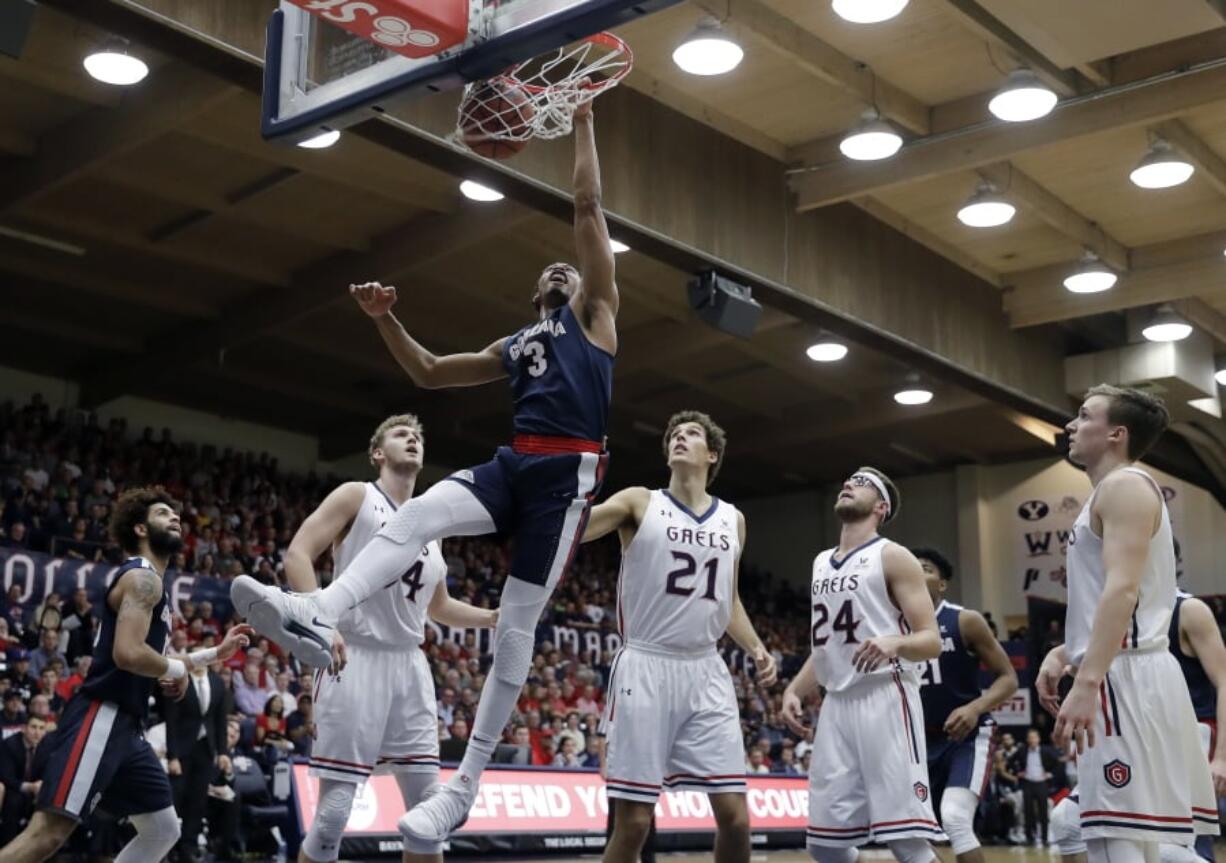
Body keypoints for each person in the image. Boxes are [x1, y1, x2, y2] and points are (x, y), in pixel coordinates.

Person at [232, 93, 618, 846]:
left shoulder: (598, 314)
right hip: (517, 461)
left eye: (564, 268)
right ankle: (322, 607)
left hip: (567, 477)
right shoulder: (518, 343)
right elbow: (435, 371)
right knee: (415, 515)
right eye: (546, 269)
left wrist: (582, 120)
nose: (556, 267)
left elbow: (587, 201)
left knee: (514, 630)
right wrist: (385, 320)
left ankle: (464, 784)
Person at [262, 414, 496, 863]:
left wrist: (493, 617)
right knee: (333, 815)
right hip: (353, 654)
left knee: (429, 811)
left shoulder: (431, 525)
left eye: (418, 436)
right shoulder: (358, 495)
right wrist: (321, 623)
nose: (413, 439)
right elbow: (298, 553)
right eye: (401, 434)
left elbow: (439, 607)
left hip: (409, 664)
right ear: (377, 453)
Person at [0, 487, 252, 863]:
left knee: (164, 829)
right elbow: (129, 654)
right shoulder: (142, 579)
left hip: (126, 729)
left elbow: (155, 657)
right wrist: (178, 669)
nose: (175, 518)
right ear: (140, 528)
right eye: (163, 513)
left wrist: (215, 654)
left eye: (176, 514)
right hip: (100, 717)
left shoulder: (152, 586)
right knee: (48, 835)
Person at [581, 411, 777, 863]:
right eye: (673, 435)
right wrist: (577, 479)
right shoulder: (639, 501)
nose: (679, 439)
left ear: (712, 455)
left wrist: (756, 646)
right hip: (646, 666)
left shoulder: (734, 519)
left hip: (707, 670)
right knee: (632, 825)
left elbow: (727, 599)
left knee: (737, 818)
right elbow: (579, 530)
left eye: (691, 434)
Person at [1036, 385, 1218, 863]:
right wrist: (1064, 654)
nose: (1071, 426)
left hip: (1125, 674)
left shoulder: (1125, 486)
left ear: (1116, 433)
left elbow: (1123, 591)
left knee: (1114, 839)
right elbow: (1107, 596)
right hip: (1125, 670)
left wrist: (1088, 678)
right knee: (1128, 837)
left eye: (1083, 416)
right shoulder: (1113, 490)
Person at [781, 467, 942, 863]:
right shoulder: (821, 562)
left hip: (886, 695)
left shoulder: (893, 555)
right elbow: (827, 647)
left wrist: (896, 642)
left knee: (906, 841)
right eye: (848, 480)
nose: (849, 484)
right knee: (824, 844)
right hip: (836, 705)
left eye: (863, 483)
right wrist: (794, 689)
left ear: (881, 507)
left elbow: (931, 641)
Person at [1050, 537, 1226, 863]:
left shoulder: (1188, 610)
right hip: (1132, 736)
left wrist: (1222, 757)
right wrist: (1055, 655)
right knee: (1070, 823)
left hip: (1185, 738)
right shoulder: (1112, 612)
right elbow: (1099, 645)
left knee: (1161, 845)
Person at [912, 546, 1019, 863]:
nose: (917, 571)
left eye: (927, 568)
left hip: (966, 738)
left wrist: (974, 708)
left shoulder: (965, 620)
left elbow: (1008, 678)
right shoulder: (893, 626)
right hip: (917, 742)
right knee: (912, 833)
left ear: (941, 584)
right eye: (912, 566)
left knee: (955, 818)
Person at [163, 660, 230, 863]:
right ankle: (167, 847)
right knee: (175, 798)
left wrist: (223, 751)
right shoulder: (180, 681)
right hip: (182, 749)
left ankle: (188, 848)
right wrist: (172, 756)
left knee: (197, 801)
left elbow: (220, 720)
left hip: (206, 749)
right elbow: (171, 720)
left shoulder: (217, 682)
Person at [1007, 728, 1061, 845]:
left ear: (1039, 739)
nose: (1032, 740)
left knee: (1043, 812)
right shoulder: (1022, 750)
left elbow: (1058, 763)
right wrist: (1018, 772)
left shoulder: (1046, 751)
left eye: (1034, 737)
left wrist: (1049, 774)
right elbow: (1010, 761)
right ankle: (1029, 838)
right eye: (1030, 738)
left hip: (1041, 783)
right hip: (1028, 783)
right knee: (1028, 811)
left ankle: (1044, 838)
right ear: (1027, 739)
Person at [0, 716, 48, 845]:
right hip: (12, 788)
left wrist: (40, 785)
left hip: (35, 790)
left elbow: (47, 773)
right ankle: (7, 847)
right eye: (33, 727)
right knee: (14, 801)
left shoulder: (45, 748)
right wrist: (30, 787)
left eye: (41, 728)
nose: (37, 732)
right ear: (24, 729)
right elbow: (6, 777)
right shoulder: (9, 745)